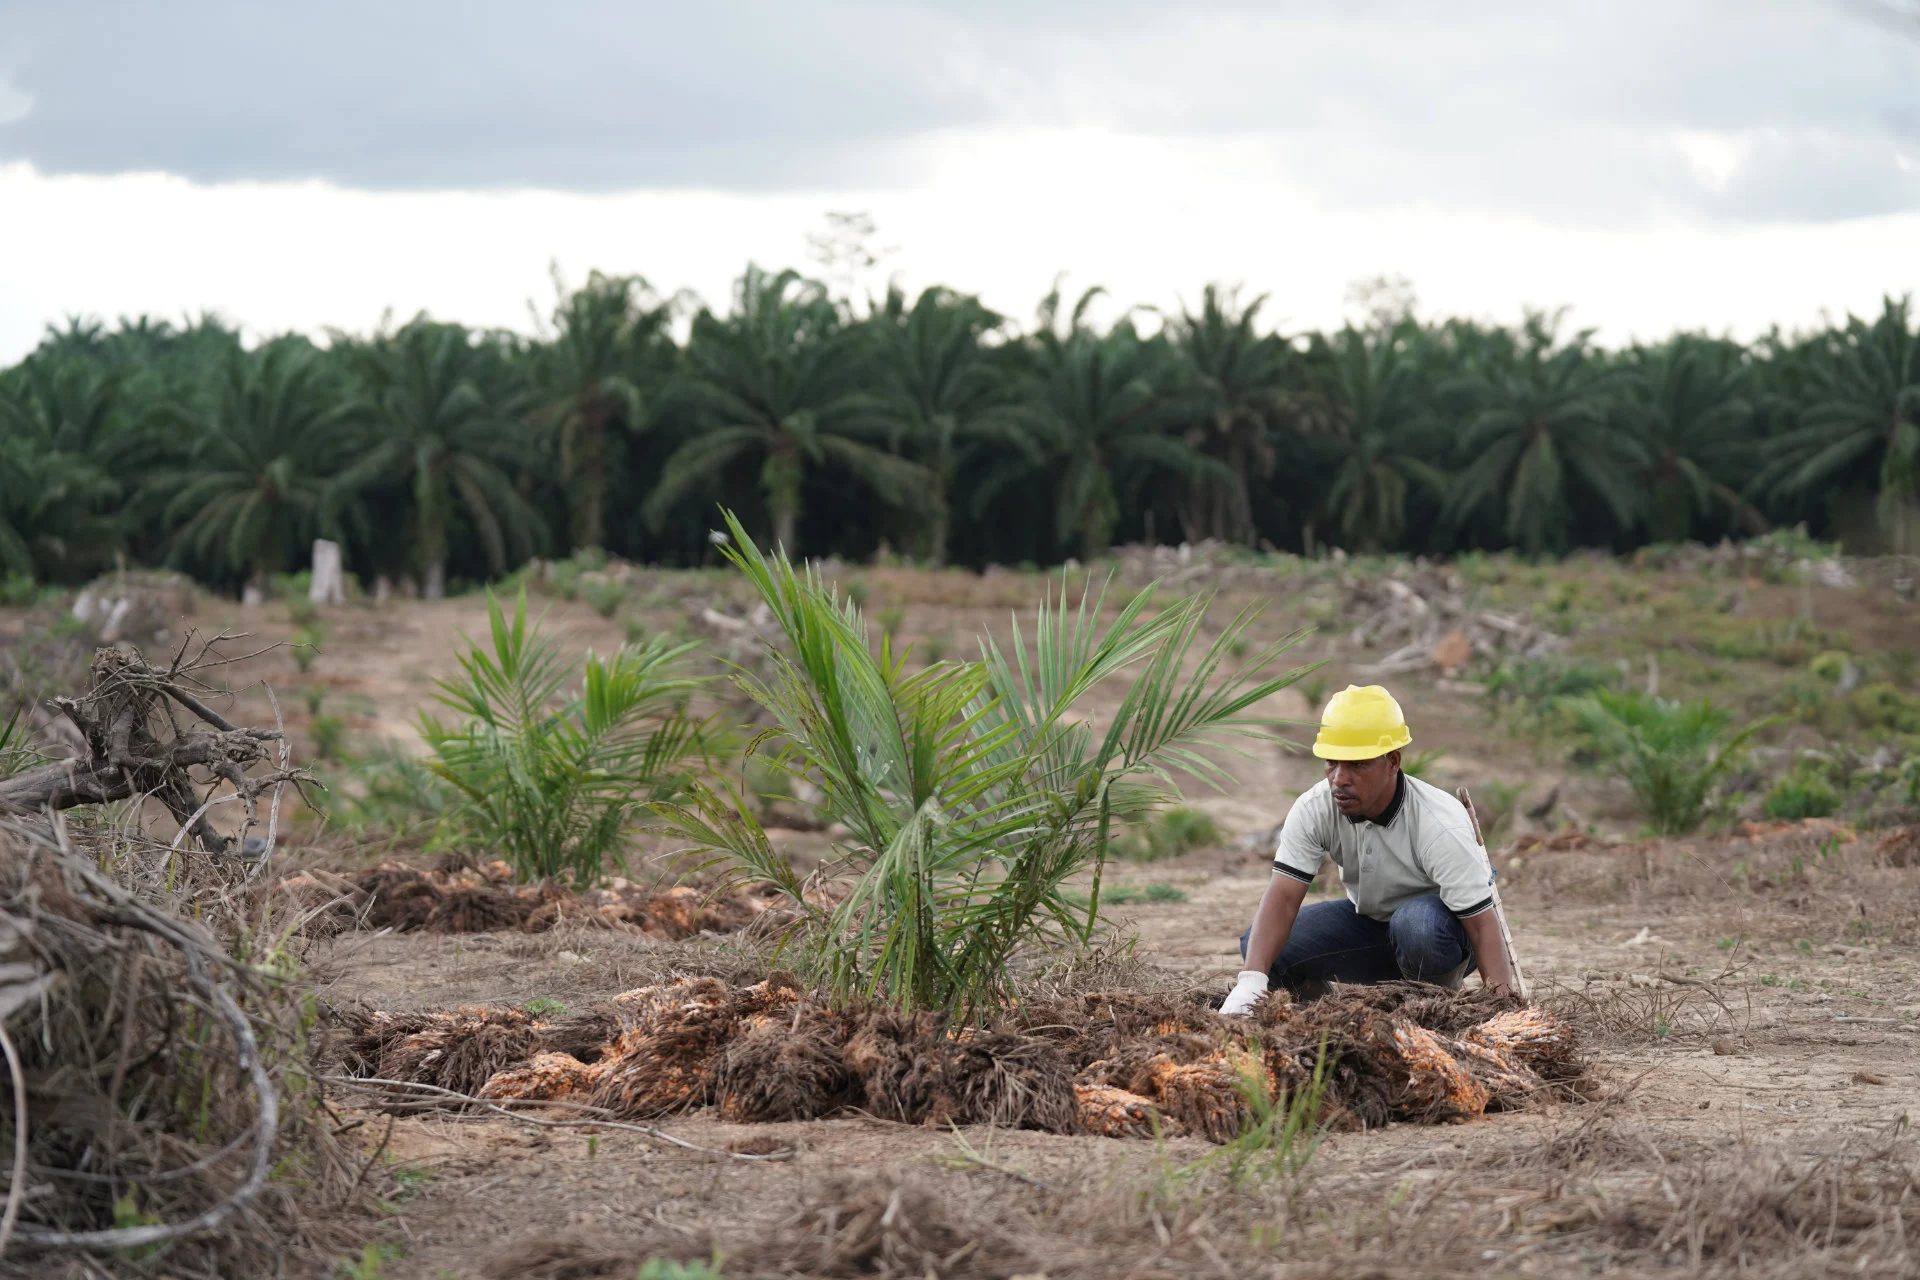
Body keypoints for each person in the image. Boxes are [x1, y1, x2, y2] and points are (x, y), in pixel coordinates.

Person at [1221, 684, 1513, 1017]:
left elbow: (1482, 925)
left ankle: (1433, 1011)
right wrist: (1252, 981)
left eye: (1358, 765)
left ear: (1392, 762)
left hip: (1442, 936)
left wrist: (1502, 1011)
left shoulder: (1438, 822)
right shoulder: (1316, 807)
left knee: (1416, 924)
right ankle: (1322, 1018)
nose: (1339, 779)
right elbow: (1283, 898)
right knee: (1262, 948)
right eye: (1332, 763)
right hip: (1372, 927)